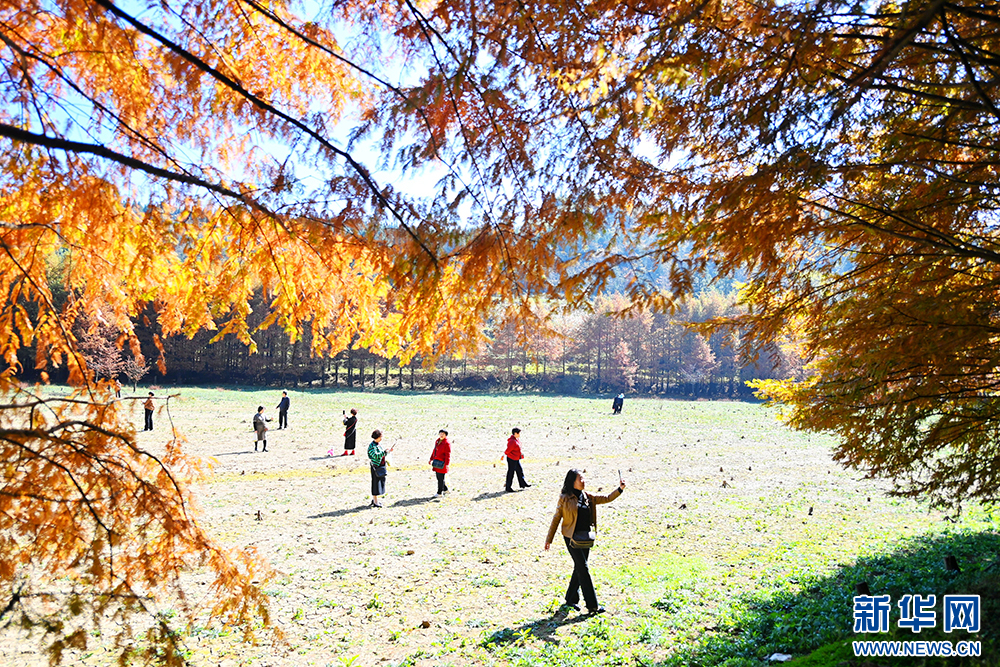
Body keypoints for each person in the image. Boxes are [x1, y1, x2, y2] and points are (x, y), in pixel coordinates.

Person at [544, 469, 626, 614]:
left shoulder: (588, 497)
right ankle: (592, 605)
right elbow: (557, 518)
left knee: (579, 567)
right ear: (572, 482)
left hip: (585, 537)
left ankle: (570, 599)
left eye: (583, 477)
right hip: (570, 538)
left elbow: (606, 498)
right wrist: (549, 539)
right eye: (580, 478)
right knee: (583, 568)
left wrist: (620, 489)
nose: (583, 480)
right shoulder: (565, 498)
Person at [368, 429, 392, 508]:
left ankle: (376, 499)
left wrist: (388, 451)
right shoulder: (372, 446)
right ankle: (375, 502)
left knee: (380, 483)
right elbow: (375, 455)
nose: (382, 438)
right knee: (375, 483)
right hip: (376, 467)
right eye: (381, 436)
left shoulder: (379, 444)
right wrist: (385, 452)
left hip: (381, 466)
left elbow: (382, 453)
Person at [503, 427, 531, 492]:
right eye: (518, 433)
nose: (519, 434)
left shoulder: (516, 439)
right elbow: (508, 450)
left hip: (516, 458)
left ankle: (523, 484)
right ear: (515, 433)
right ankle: (508, 487)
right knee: (511, 472)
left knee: (519, 471)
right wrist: (504, 455)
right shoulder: (512, 441)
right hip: (512, 459)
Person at [429, 429, 451, 497]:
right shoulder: (438, 441)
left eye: (443, 434)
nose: (441, 435)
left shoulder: (447, 443)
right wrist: (431, 458)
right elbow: (434, 450)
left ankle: (439, 493)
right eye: (440, 434)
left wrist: (447, 464)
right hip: (436, 462)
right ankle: (445, 489)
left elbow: (448, 454)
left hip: (442, 463)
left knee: (440, 479)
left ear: (445, 435)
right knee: (439, 478)